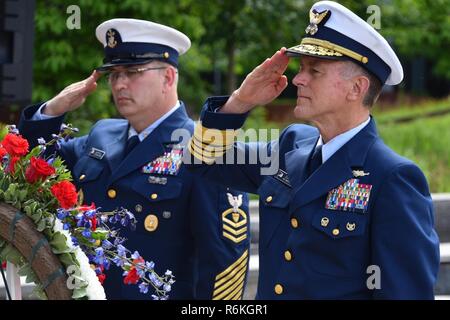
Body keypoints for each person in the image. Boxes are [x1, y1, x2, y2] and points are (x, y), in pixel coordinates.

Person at [186, 1, 440, 299]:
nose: (297, 79)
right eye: (301, 68)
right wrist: (240, 101)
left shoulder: (392, 177)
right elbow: (205, 159)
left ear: (356, 88)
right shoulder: (290, 146)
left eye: (314, 71)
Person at [18, 18, 250, 300]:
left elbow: (224, 263)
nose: (119, 84)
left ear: (168, 77)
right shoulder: (102, 134)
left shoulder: (205, 149)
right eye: (114, 74)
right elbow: (32, 167)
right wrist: (52, 111)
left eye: (132, 71)